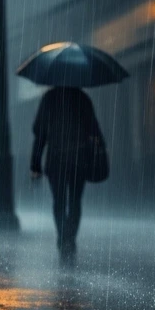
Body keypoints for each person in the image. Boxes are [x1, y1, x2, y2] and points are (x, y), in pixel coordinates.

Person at [30, 86, 105, 245]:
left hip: (56, 160)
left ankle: (63, 235)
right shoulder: (82, 98)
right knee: (75, 200)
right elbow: (95, 129)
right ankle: (70, 236)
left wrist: (35, 164)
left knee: (59, 200)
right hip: (78, 159)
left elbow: (39, 133)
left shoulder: (49, 98)